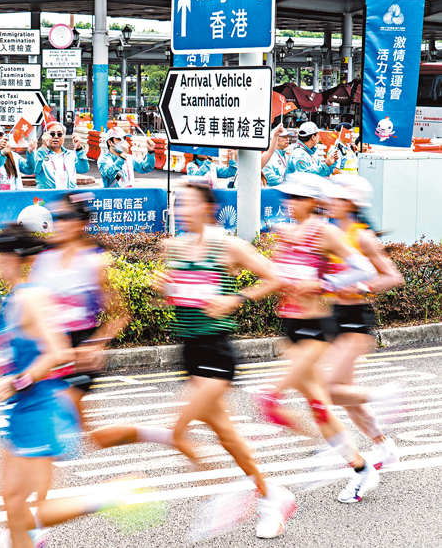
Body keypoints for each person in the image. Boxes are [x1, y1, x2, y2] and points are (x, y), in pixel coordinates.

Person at [91, 182, 296, 539]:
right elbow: (182, 298)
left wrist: (236, 299)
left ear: (206, 207)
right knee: (228, 437)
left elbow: (276, 277)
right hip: (190, 352)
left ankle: (232, 493)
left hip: (217, 351)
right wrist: (166, 291)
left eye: (187, 203)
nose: (181, 209)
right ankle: (269, 495)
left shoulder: (228, 245)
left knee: (178, 429)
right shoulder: (175, 246)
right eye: (178, 203)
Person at [0, 225, 138, 548]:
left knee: (23, 506)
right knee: (11, 502)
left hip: (39, 410)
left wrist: (16, 382)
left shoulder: (33, 299)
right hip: (21, 410)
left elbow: (57, 353)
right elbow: (14, 353)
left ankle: (106, 497)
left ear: (16, 259)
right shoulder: (10, 300)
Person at [253, 172, 381, 504]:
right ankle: (360, 467)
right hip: (291, 328)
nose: (289, 202)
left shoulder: (325, 233)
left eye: (297, 198)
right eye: (288, 196)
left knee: (269, 398)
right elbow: (281, 276)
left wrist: (325, 286)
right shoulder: (287, 234)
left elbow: (365, 270)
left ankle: (320, 446)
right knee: (319, 409)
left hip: (315, 329)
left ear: (314, 202)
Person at [325, 175, 405, 468]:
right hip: (335, 316)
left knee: (332, 390)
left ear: (350, 203)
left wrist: (363, 287)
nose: (330, 203)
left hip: (357, 320)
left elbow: (394, 276)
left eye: (336, 198)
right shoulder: (332, 233)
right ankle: (384, 447)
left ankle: (383, 397)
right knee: (347, 397)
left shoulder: (361, 237)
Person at [29, 193, 129, 422]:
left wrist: (95, 345)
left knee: (53, 419)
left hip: (78, 352)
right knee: (80, 431)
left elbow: (121, 314)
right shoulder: (43, 257)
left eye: (68, 217)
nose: (61, 223)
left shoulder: (94, 261)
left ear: (83, 222)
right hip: (47, 351)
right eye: (58, 217)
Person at [0, 124, 37, 191]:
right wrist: (1, 154)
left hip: (12, 198)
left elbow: (29, 170)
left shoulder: (14, 156)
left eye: (0, 135)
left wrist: (30, 152)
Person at [33, 121, 89, 190]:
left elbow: (83, 169)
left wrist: (78, 149)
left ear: (64, 137)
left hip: (69, 196)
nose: (56, 137)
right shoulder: (40, 154)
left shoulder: (71, 154)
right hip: (48, 197)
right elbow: (35, 169)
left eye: (59, 134)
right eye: (52, 134)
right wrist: (43, 145)